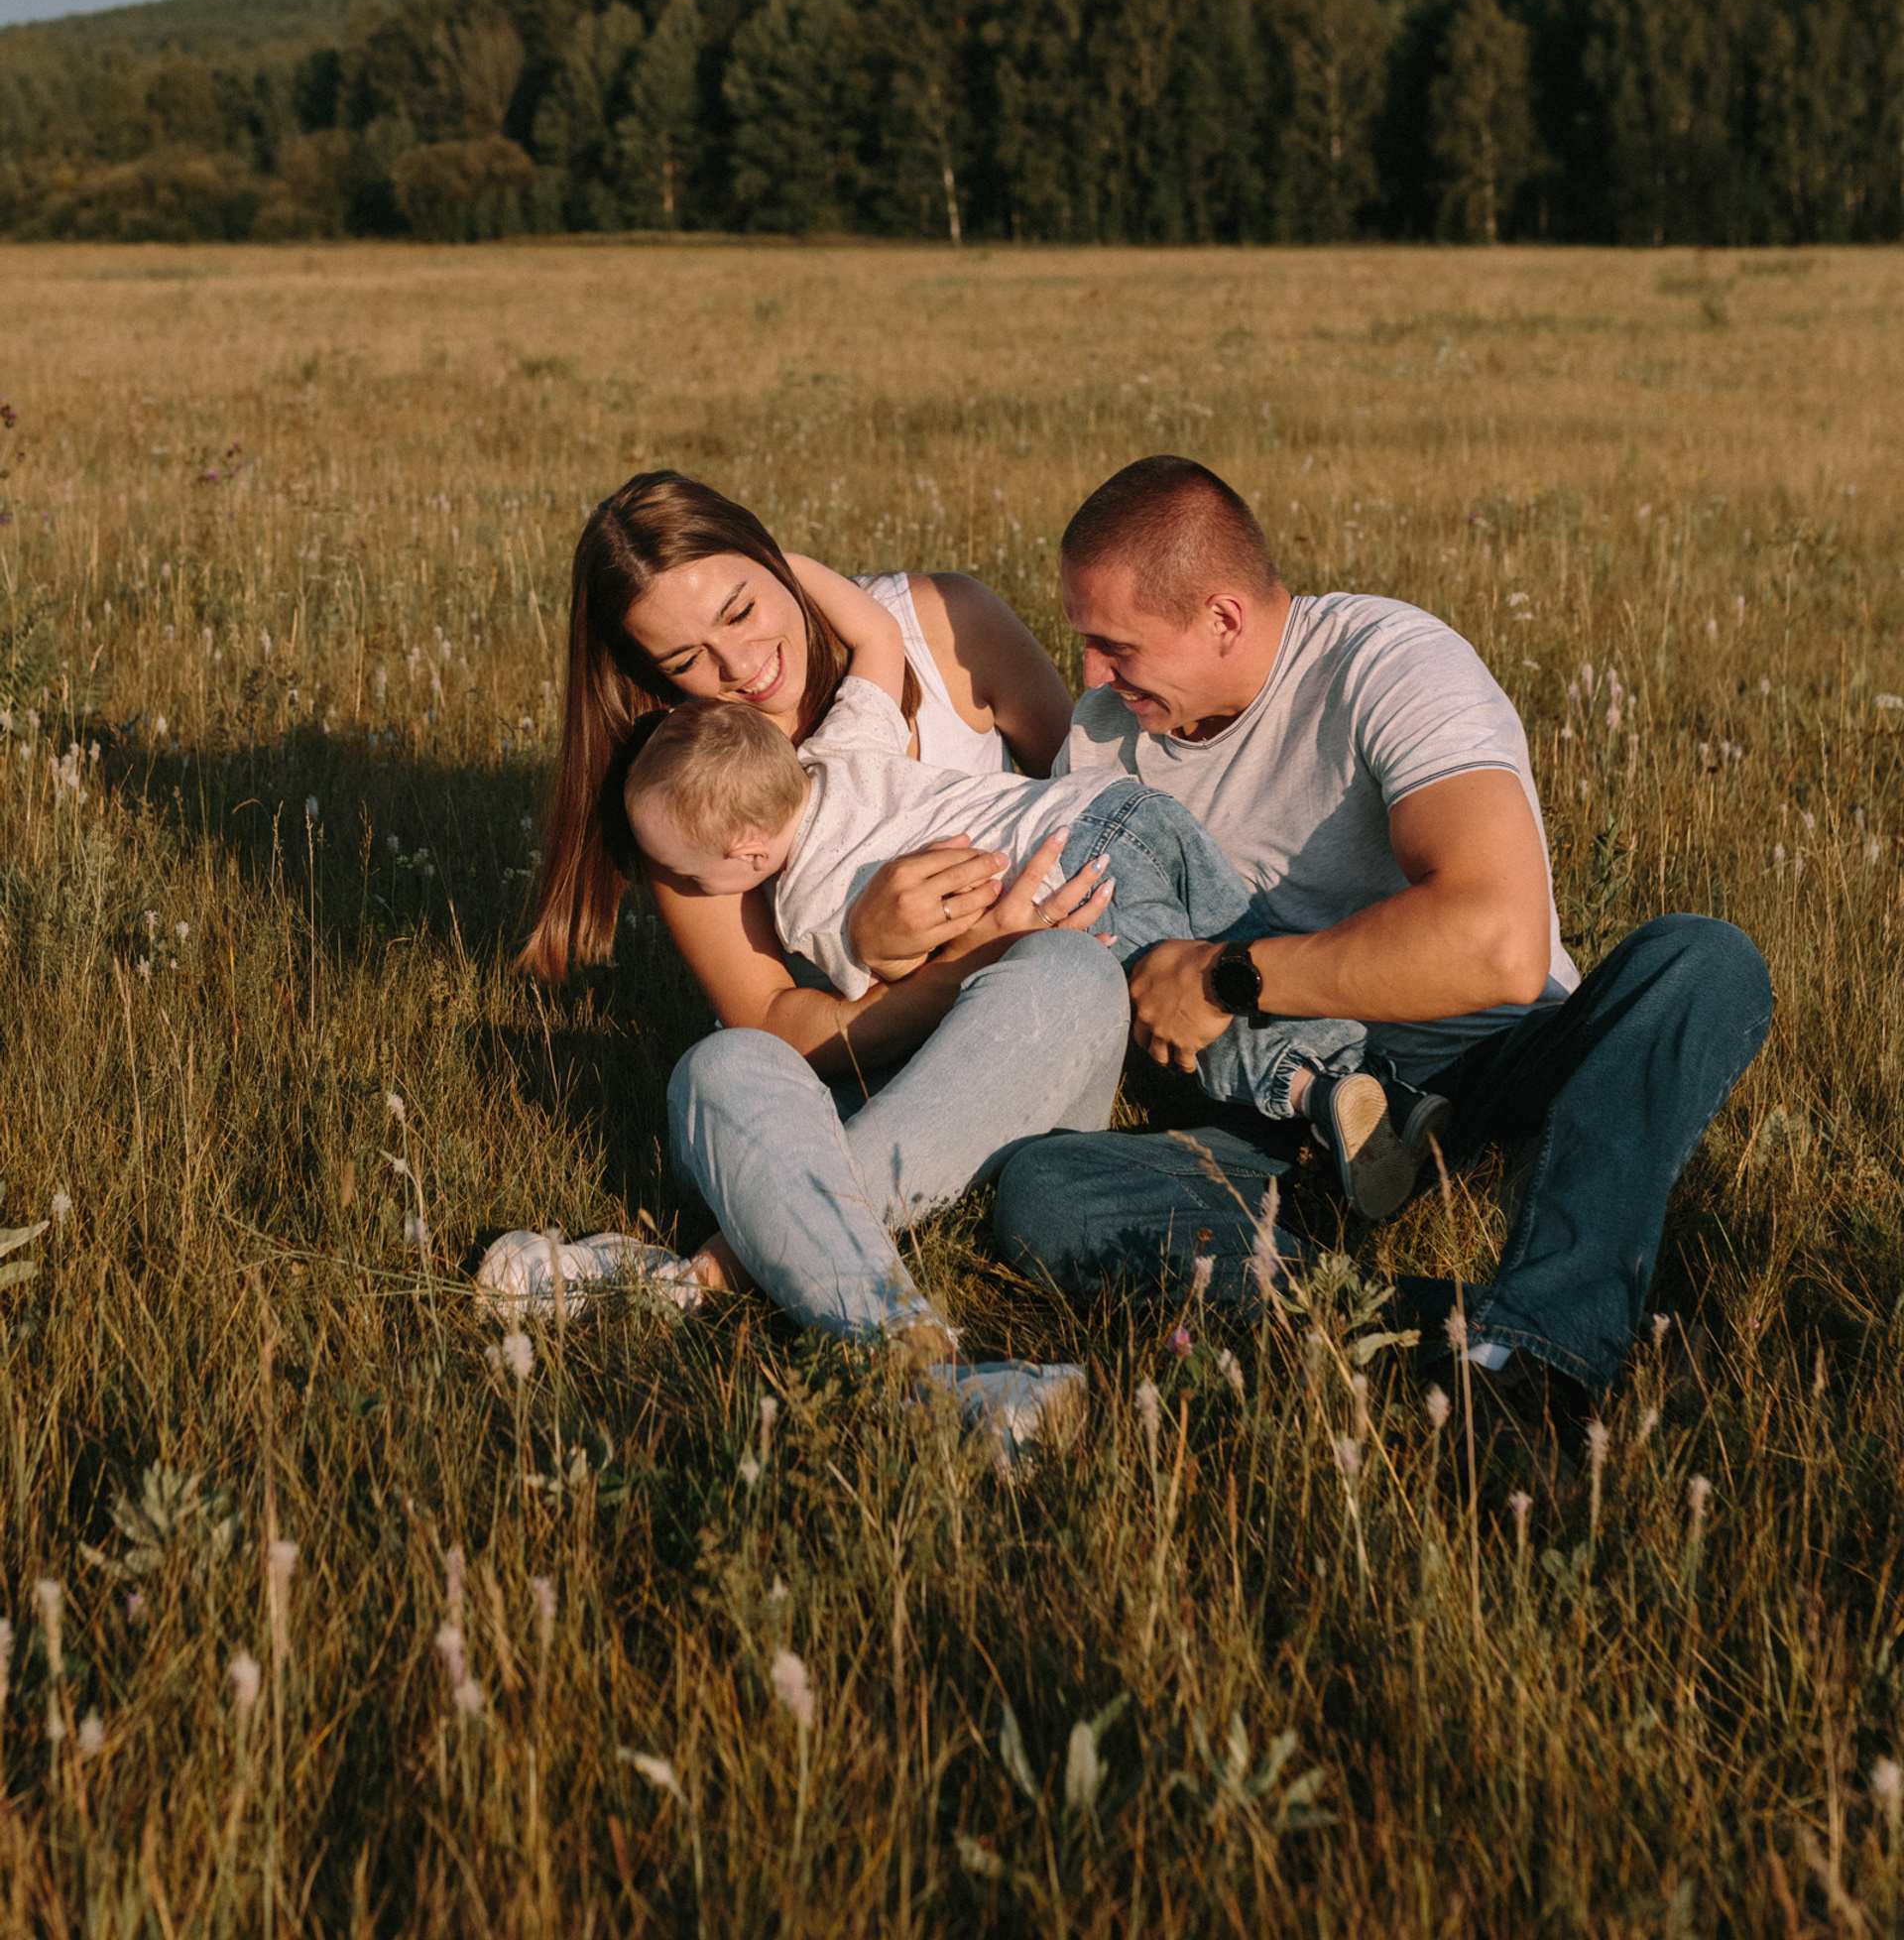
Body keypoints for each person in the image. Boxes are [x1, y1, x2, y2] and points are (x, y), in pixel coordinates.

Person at [919, 456, 1776, 1440]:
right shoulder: (1106, 739)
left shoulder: (1386, 662)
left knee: (1701, 962)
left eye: (1114, 647)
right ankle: (1529, 1340)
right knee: (1047, 1198)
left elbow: (1498, 944)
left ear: (1224, 620)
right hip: (1285, 1118)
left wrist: (1227, 976)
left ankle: (1535, 1351)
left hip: (1490, 1060)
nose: (1092, 679)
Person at [490, 470, 1130, 1445]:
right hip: (855, 1089)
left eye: (745, 607)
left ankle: (703, 1267)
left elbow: (1089, 803)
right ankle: (930, 1379)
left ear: (774, 556)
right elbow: (779, 1026)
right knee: (721, 1066)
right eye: (687, 659)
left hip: (1030, 1071)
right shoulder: (686, 779)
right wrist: (928, 961)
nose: (743, 667)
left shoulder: (942, 621)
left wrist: (1010, 952)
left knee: (1067, 975)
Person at [626, 563, 1450, 1216]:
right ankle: (1389, 1089)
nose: (695, 891)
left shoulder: (803, 908)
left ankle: (1315, 1090)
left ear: (745, 849)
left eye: (695, 876)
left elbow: (899, 1023)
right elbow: (878, 637)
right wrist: (785, 564)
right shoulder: (846, 749)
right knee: (1237, 948)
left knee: (1182, 996)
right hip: (1116, 807)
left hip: (1071, 879)